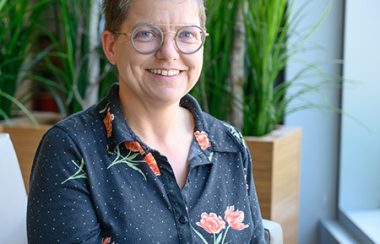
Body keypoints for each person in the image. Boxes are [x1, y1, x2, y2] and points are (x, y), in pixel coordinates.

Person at [27, 0, 265, 243]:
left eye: (187, 34)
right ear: (110, 46)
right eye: (146, 34)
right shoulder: (71, 150)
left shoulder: (229, 144)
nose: (169, 53)